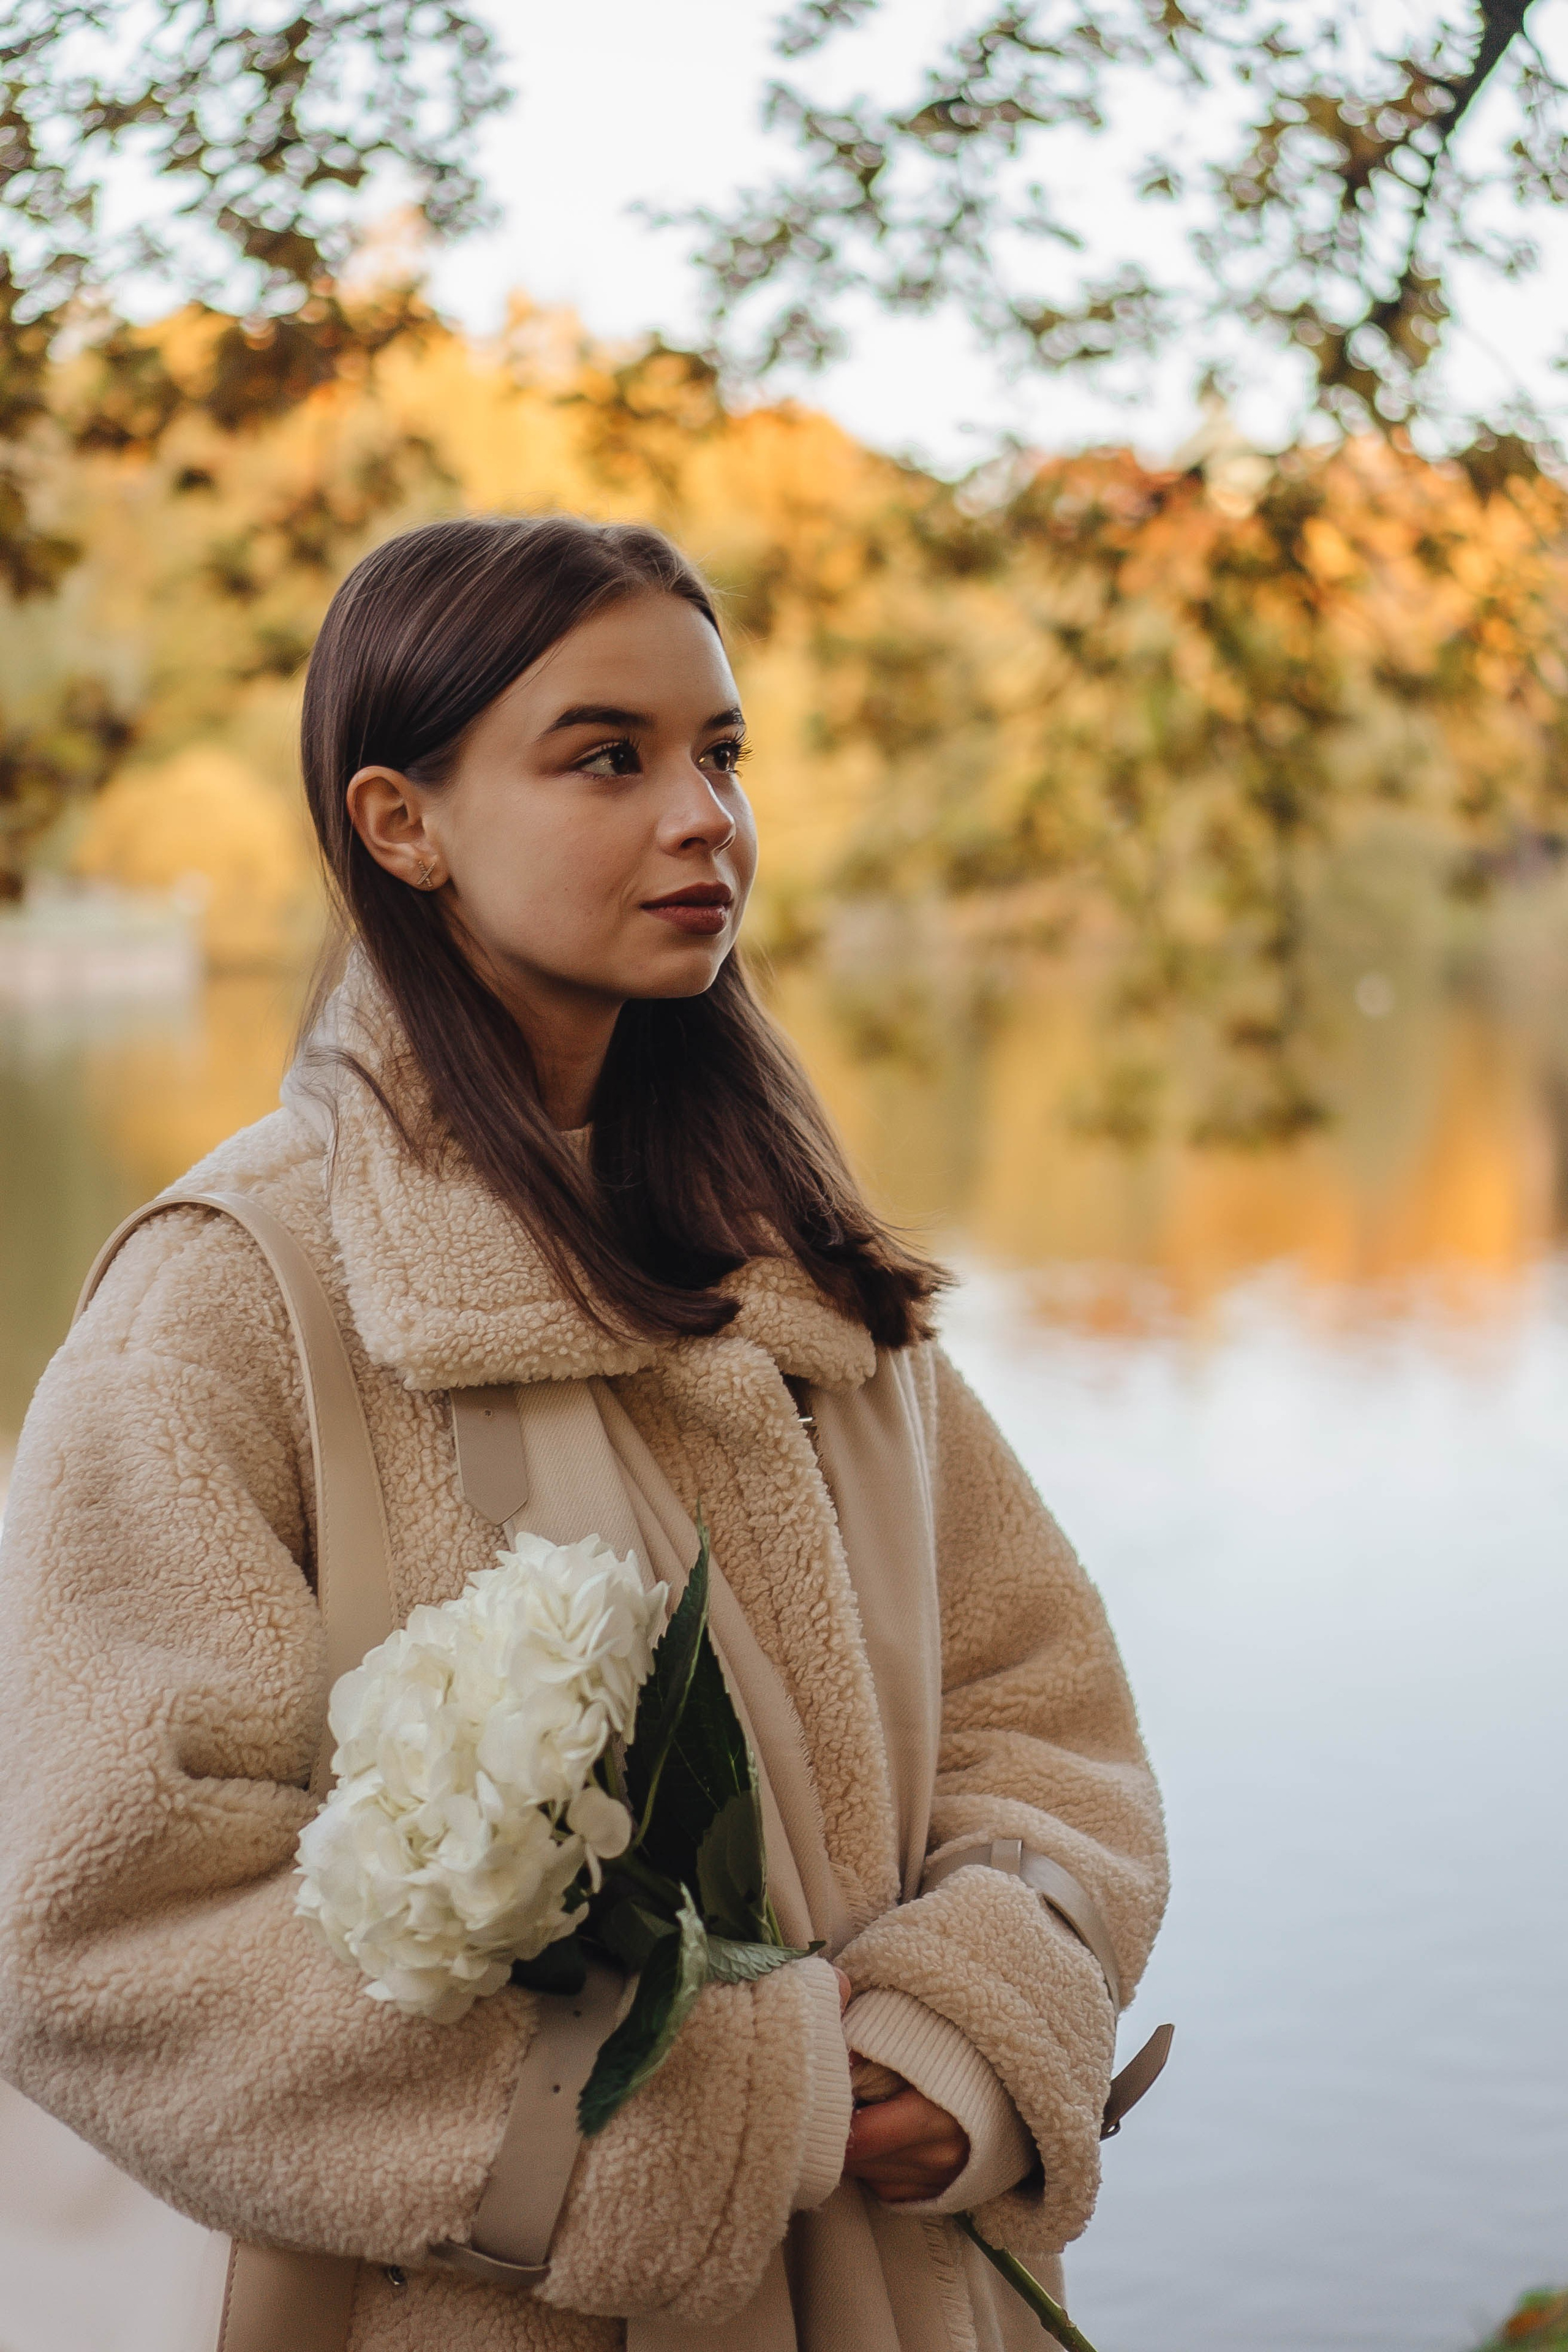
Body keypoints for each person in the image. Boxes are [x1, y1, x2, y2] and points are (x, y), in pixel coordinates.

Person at [0, 514, 1167, 2352]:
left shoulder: (803, 1275)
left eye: (721, 754)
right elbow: (103, 1931)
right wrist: (680, 2125)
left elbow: (1041, 1712)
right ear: (404, 823)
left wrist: (972, 2020)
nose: (707, 819)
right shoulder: (232, 1297)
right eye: (608, 758)